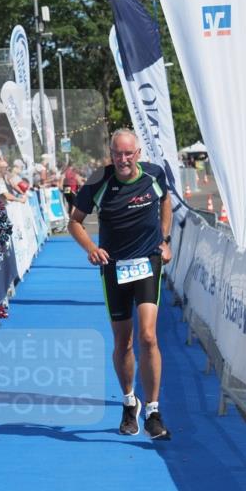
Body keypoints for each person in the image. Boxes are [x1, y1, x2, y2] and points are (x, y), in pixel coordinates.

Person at [67, 129, 172, 440]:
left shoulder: (154, 174)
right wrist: (91, 249)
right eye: (117, 153)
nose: (123, 159)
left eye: (128, 153)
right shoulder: (100, 180)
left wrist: (164, 240)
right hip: (114, 268)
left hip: (147, 261)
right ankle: (129, 402)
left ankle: (153, 409)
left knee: (149, 336)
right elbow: (74, 221)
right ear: (110, 154)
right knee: (123, 342)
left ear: (137, 153)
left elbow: (165, 202)